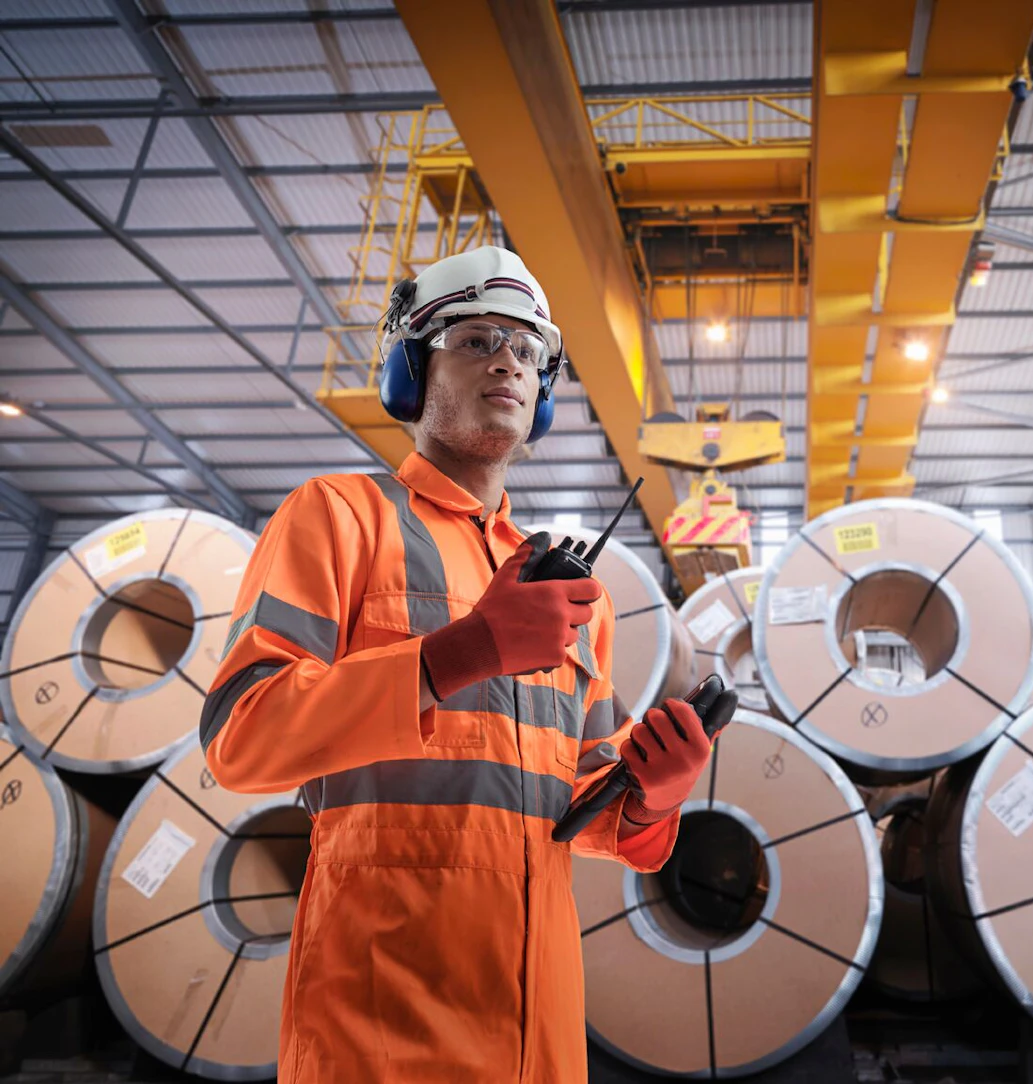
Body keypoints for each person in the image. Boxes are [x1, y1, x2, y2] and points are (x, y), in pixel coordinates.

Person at [200, 246, 714, 1083]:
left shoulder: (576, 596)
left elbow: (583, 804)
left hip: (540, 1032)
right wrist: (461, 652)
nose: (507, 362)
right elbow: (241, 739)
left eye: (526, 350)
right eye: (475, 340)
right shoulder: (338, 520)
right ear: (414, 366)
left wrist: (653, 792)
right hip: (379, 1023)